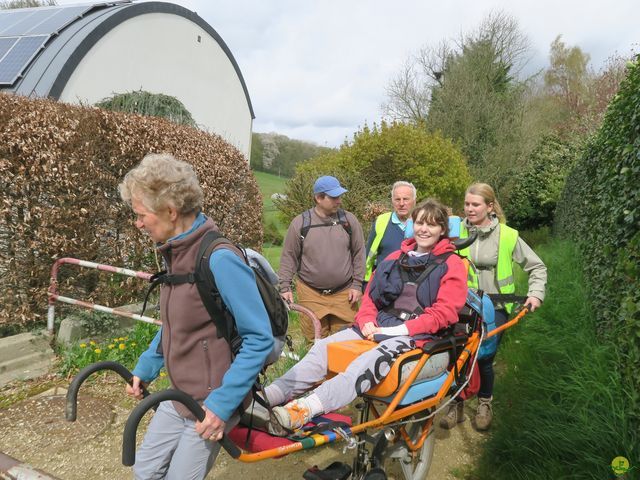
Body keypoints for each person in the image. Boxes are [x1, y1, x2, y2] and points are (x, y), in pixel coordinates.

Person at [119, 153, 273, 479]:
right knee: (144, 473)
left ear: (171, 212)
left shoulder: (219, 259)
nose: (138, 222)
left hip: (212, 403)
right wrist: (147, 367)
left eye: (141, 214)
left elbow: (258, 338)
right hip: (179, 397)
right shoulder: (175, 253)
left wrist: (221, 405)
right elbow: (176, 323)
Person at [263, 199, 468, 432]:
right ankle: (268, 396)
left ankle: (304, 409)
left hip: (415, 336)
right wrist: (367, 321)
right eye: (420, 222)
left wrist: (392, 331)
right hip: (377, 326)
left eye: (432, 225)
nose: (424, 229)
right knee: (322, 348)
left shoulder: (452, 264)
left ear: (442, 229)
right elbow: (370, 298)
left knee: (366, 361)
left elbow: (444, 314)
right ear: (413, 225)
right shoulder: (393, 260)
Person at [440, 182, 547, 431]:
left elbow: (537, 266)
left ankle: (485, 402)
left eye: (475, 204)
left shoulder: (508, 235)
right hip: (460, 303)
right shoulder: (452, 232)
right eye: (466, 204)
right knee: (455, 353)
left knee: (484, 356)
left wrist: (536, 294)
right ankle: (456, 403)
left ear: (490, 207)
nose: (469, 209)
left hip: (495, 305)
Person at [278, 175, 365, 341]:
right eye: (334, 197)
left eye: (339, 196)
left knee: (348, 342)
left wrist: (357, 284)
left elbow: (359, 253)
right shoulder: (300, 223)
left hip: (344, 295)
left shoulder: (349, 221)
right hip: (311, 295)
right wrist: (284, 287)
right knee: (315, 345)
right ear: (318, 198)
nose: (339, 201)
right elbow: (289, 256)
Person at [363, 181, 417, 290]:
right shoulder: (381, 221)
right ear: (392, 201)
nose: (401, 203)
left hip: (414, 287)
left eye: (406, 199)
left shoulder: (423, 223)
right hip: (384, 286)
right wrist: (365, 284)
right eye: (397, 199)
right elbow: (368, 256)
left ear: (414, 201)